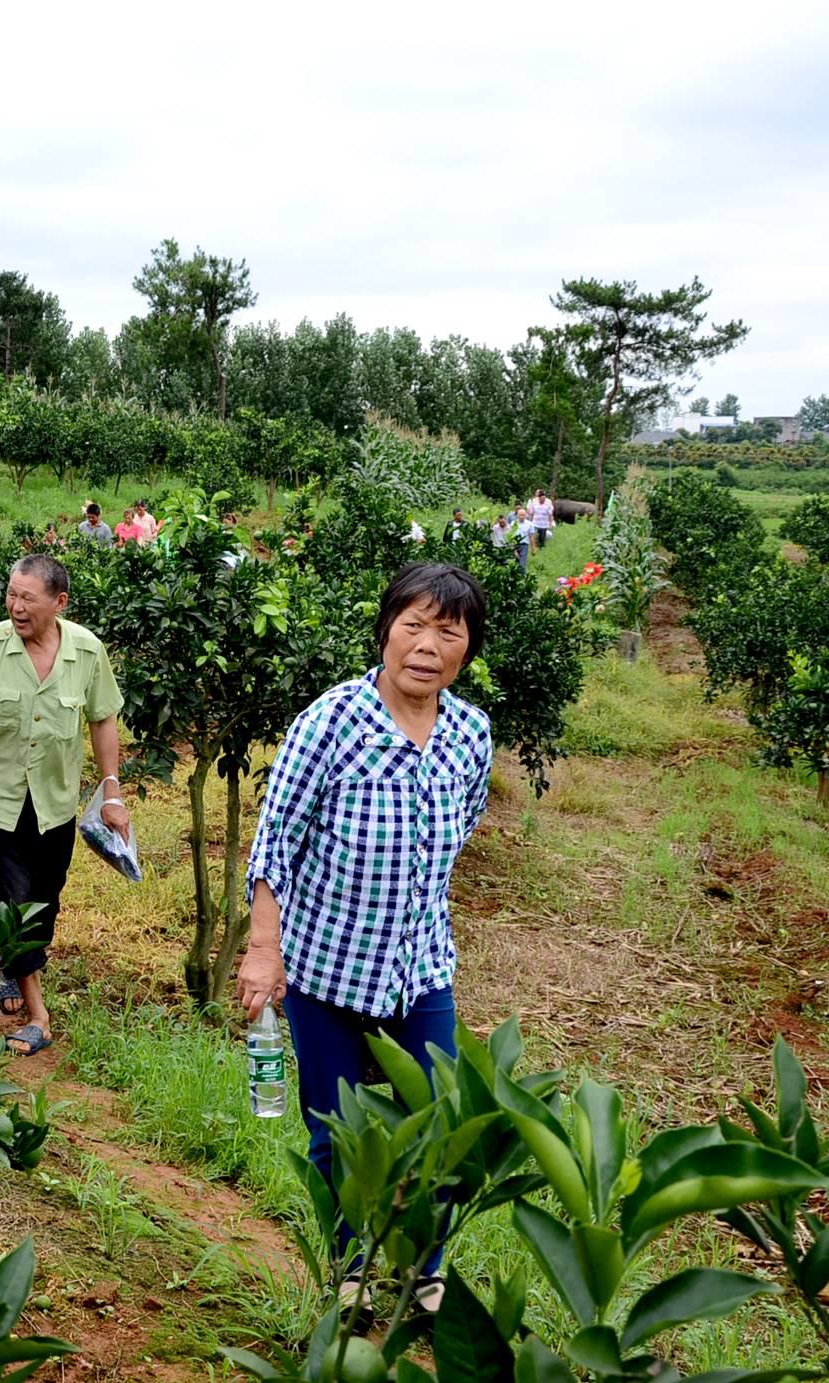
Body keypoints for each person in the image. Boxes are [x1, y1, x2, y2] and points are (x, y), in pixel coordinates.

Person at [237, 562, 493, 1315]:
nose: (427, 643)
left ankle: (426, 1272)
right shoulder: (331, 721)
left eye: (448, 631)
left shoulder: (471, 733)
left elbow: (463, 824)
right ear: (385, 630)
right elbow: (275, 841)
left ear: (466, 649)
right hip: (325, 970)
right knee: (335, 1129)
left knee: (439, 1127)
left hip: (420, 970)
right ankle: (349, 1269)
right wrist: (264, 948)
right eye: (413, 624)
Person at [0, 554, 126, 1055]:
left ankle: (13, 965)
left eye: (28, 598)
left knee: (44, 902)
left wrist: (111, 790)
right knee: (13, 904)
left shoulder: (87, 651)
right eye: (11, 595)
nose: (16, 607)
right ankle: (39, 1016)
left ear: (59, 602)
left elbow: (103, 721)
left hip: (56, 805)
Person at [509, 505, 532, 572]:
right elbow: (511, 535)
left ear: (526, 516)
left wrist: (533, 548)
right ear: (517, 515)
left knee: (522, 563)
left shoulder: (529, 524)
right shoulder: (513, 523)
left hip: (524, 545)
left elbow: (532, 536)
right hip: (514, 544)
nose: (521, 517)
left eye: (523, 515)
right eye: (520, 515)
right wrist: (514, 549)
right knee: (513, 562)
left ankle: (522, 578)